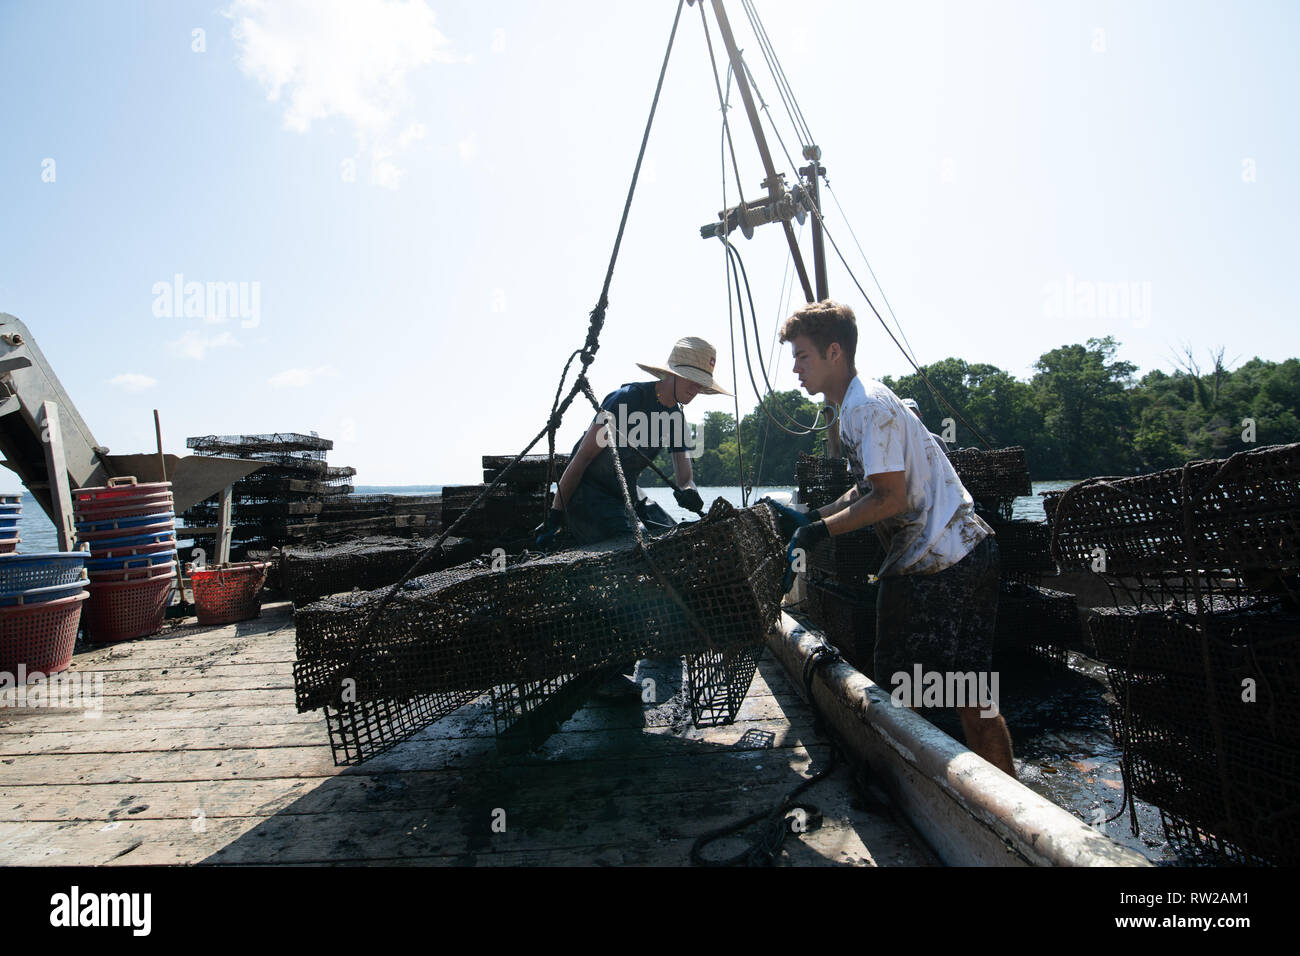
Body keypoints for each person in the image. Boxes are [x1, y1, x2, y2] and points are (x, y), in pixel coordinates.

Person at [770, 300, 1015, 777]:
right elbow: (867, 488)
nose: (795, 368)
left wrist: (816, 532)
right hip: (970, 550)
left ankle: (909, 799)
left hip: (937, 562)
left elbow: (890, 499)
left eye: (802, 356)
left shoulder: (864, 407)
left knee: (902, 695)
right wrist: (807, 515)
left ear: (834, 352)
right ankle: (1009, 806)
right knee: (971, 695)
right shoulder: (863, 403)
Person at [539, 336, 729, 546]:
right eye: (690, 379)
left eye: (700, 384)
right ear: (671, 374)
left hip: (629, 495)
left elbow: (685, 479)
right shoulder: (625, 399)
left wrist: (690, 492)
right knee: (638, 541)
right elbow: (581, 459)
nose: (695, 389)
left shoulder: (676, 418)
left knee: (677, 536)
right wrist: (555, 514)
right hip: (589, 495)